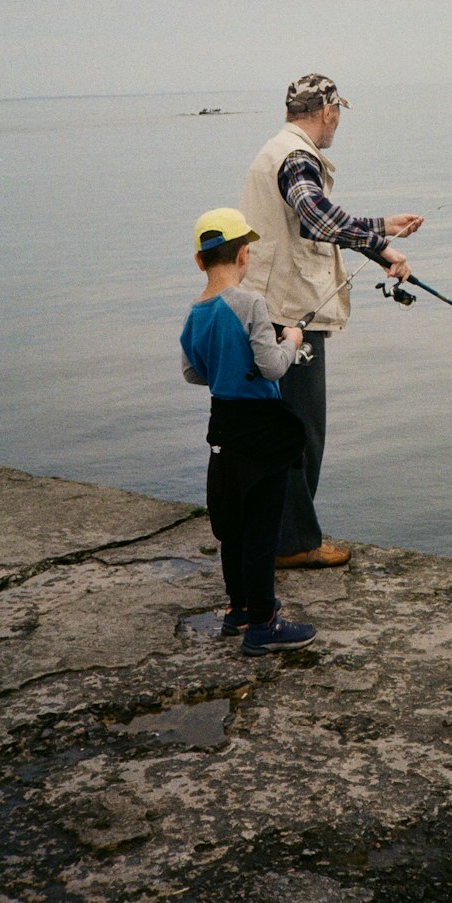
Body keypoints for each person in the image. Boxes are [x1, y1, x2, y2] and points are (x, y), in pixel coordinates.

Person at [241, 73, 423, 569]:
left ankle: (275, 532)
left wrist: (382, 251)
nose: (337, 123)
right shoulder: (298, 158)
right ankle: (294, 542)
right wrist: (383, 225)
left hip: (273, 308)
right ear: (326, 112)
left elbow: (315, 225)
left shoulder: (277, 149)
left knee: (284, 427)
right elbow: (317, 219)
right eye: (337, 114)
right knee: (301, 429)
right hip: (288, 315)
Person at [180, 207, 317, 655]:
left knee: (234, 526)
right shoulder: (252, 303)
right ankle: (264, 624)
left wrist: (227, 370)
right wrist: (293, 341)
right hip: (261, 430)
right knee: (262, 529)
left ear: (200, 262)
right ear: (244, 256)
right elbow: (272, 365)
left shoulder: (196, 311)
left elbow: (192, 373)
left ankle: (239, 610)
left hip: (224, 427)